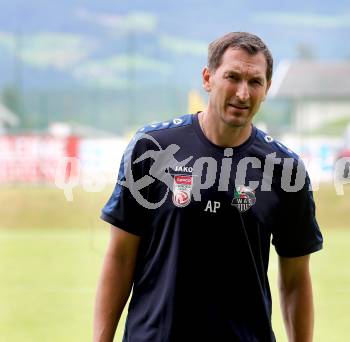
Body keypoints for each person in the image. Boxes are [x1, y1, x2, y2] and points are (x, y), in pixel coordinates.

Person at [94, 31, 323, 342]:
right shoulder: (152, 149)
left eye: (255, 82)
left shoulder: (285, 169)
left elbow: (295, 279)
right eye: (232, 77)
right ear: (208, 78)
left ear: (267, 88)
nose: (243, 93)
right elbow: (120, 258)